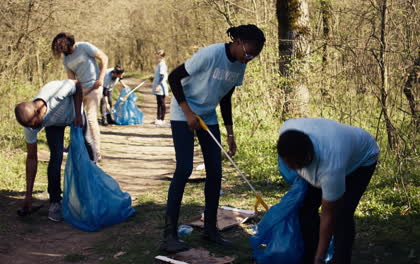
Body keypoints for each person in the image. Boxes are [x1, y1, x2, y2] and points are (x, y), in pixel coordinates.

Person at [162, 24, 266, 253]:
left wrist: (230, 133)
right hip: (184, 112)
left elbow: (226, 97)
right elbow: (173, 77)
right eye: (248, 53)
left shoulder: (240, 65)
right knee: (184, 169)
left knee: (216, 172)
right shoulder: (210, 54)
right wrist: (188, 113)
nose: (249, 59)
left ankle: (210, 229)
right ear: (237, 41)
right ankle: (169, 235)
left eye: (254, 56)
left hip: (208, 115)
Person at [277, 118, 380, 264]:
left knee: (342, 214)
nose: (294, 169)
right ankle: (308, 254)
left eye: (298, 165)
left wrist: (320, 256)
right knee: (305, 208)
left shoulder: (331, 168)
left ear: (308, 157)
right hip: (338, 146)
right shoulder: (287, 130)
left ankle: (340, 259)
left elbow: (328, 215)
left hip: (362, 159)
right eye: (290, 165)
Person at [14, 79, 96, 222]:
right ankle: (55, 202)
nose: (33, 129)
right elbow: (32, 158)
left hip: (74, 114)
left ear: (38, 111)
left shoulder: (54, 92)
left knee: (89, 148)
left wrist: (77, 114)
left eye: (35, 124)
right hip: (54, 125)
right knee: (56, 157)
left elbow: (77, 85)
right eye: (29, 126)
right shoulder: (30, 125)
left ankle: (95, 188)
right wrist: (28, 196)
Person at [51, 32, 108, 161]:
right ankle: (78, 147)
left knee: (91, 118)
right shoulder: (66, 60)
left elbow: (104, 58)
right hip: (81, 90)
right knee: (76, 118)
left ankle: (96, 153)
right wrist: (74, 93)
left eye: (63, 48)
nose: (62, 52)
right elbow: (72, 80)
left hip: (95, 85)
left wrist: (101, 78)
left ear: (69, 44)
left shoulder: (84, 47)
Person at [151, 49, 169, 126]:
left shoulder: (162, 64)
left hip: (161, 87)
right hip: (158, 86)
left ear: (161, 56)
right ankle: (158, 118)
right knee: (158, 102)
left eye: (157, 54)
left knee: (162, 103)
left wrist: (158, 85)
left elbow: (162, 76)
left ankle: (162, 119)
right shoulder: (159, 64)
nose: (156, 56)